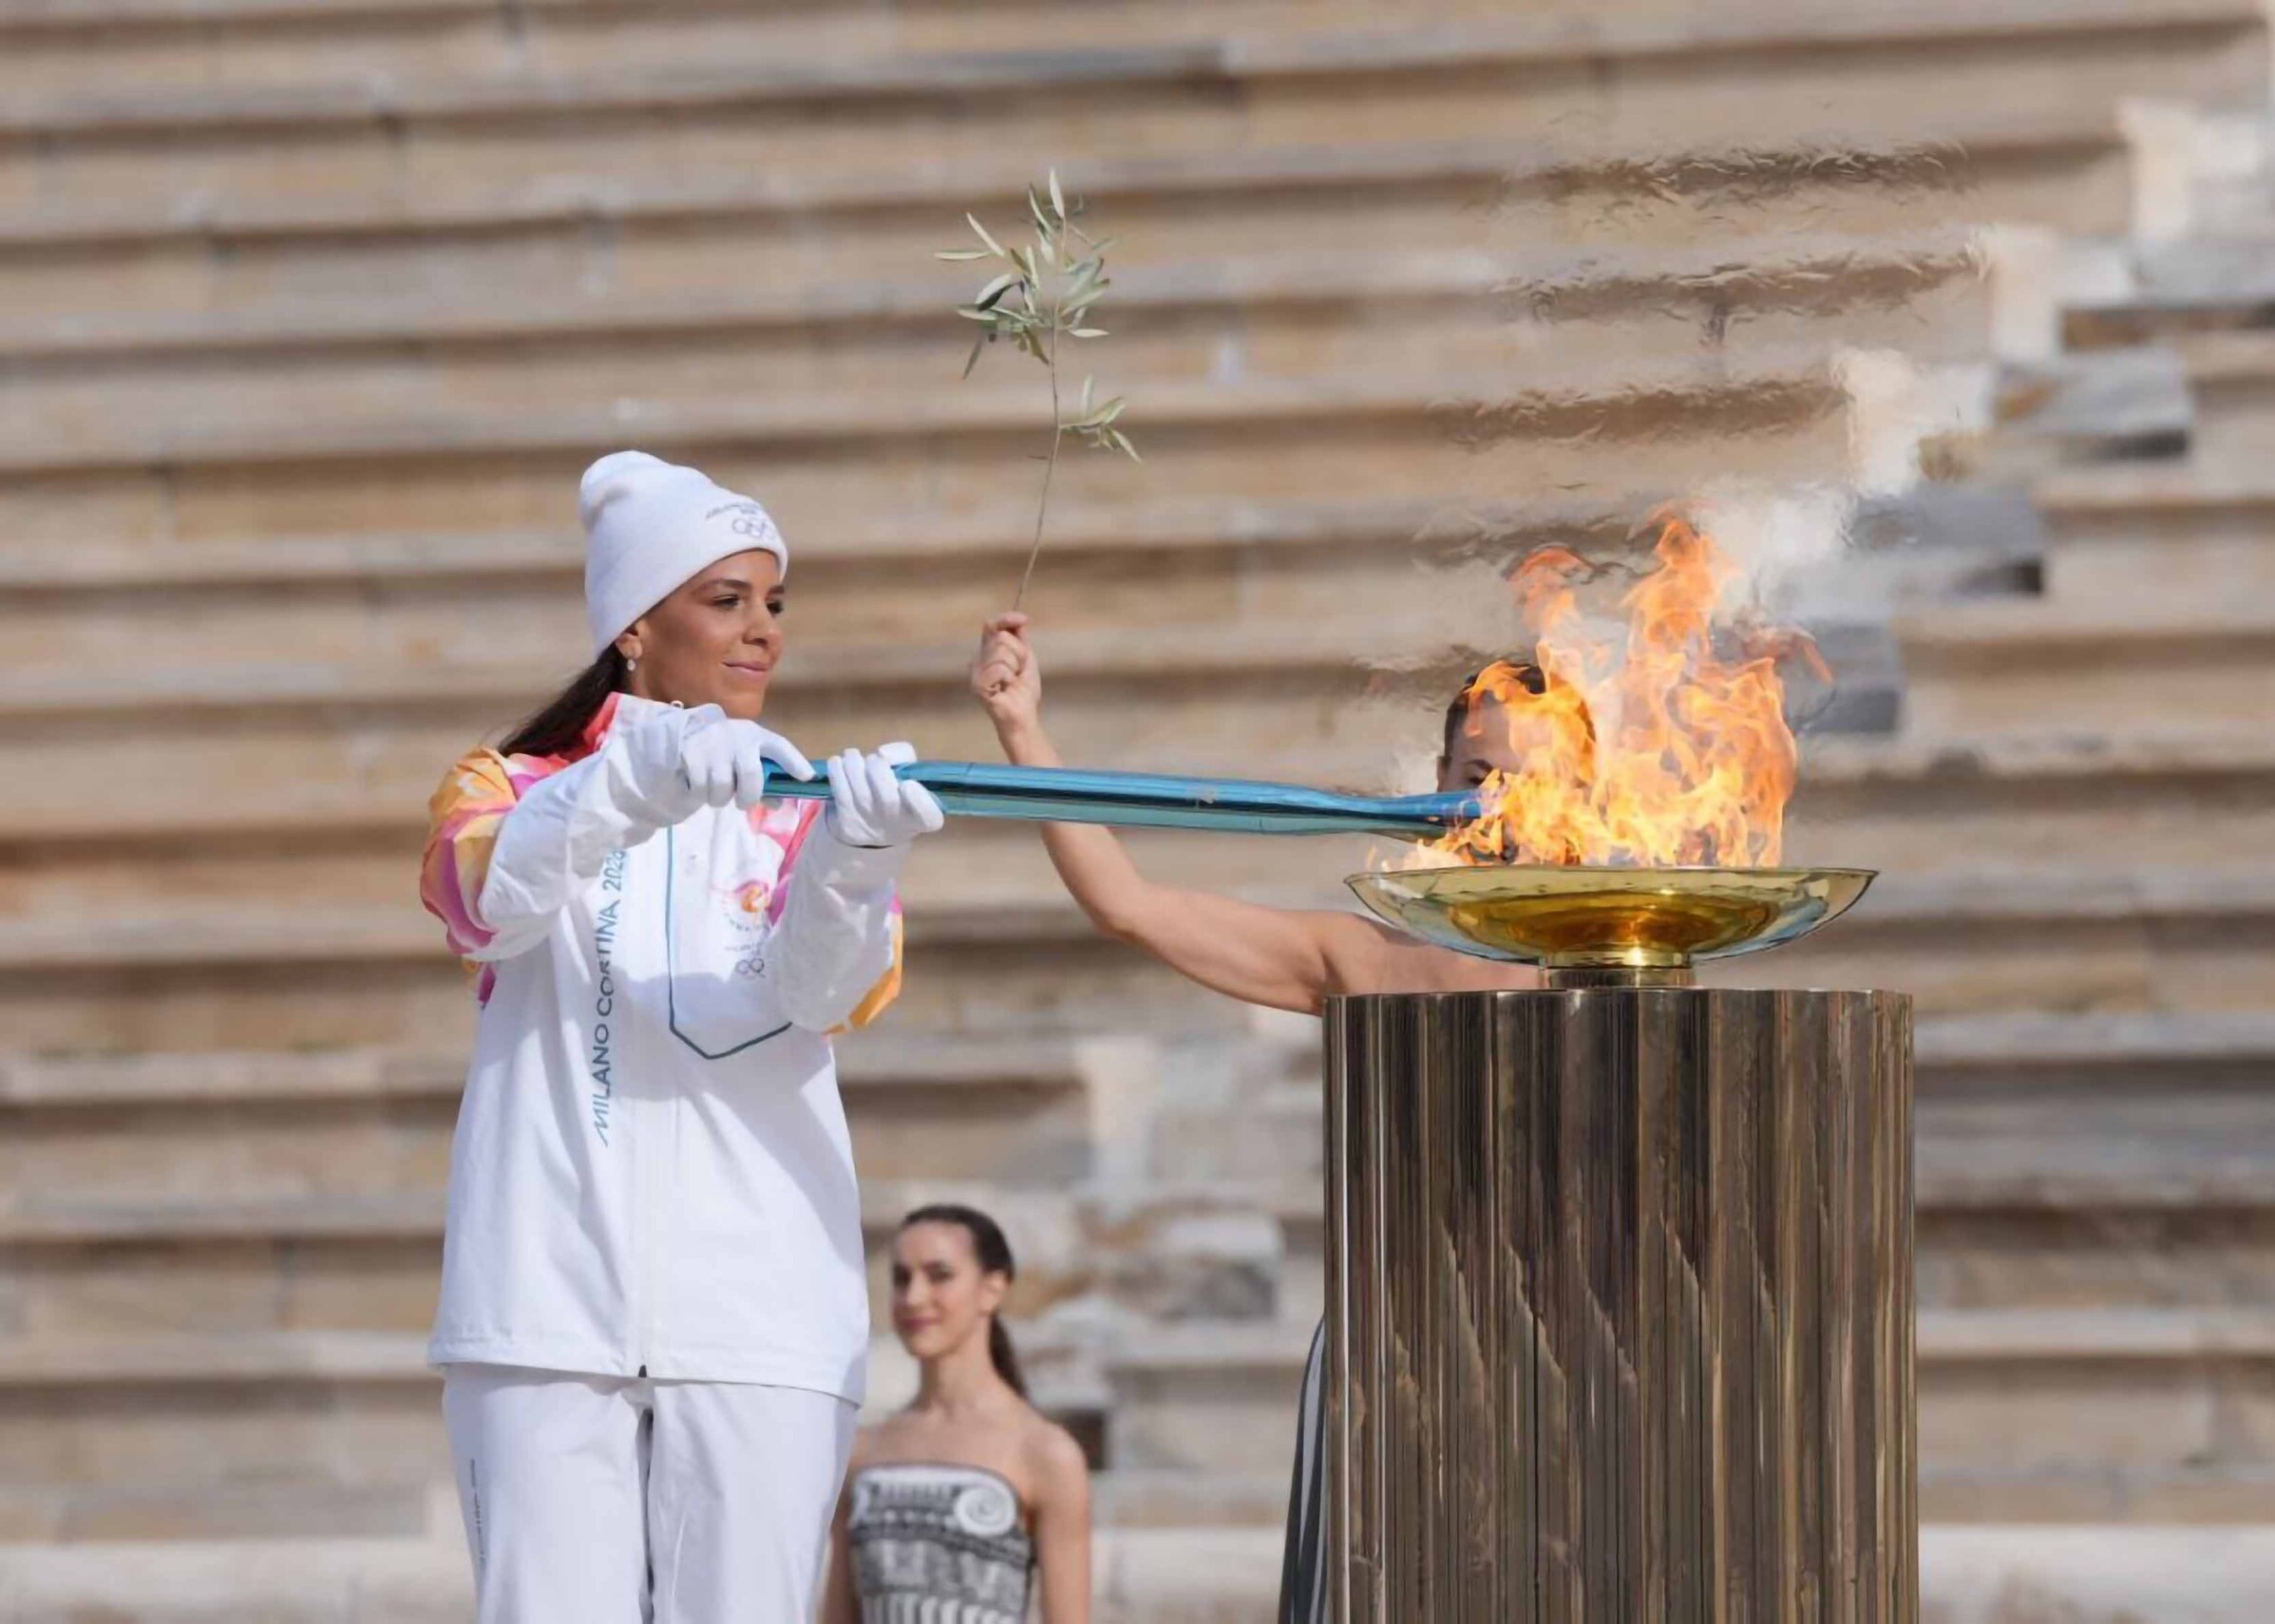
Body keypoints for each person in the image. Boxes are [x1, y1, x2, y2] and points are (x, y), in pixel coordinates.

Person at [418, 450, 946, 1624]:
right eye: (725, 600)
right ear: (633, 630)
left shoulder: (798, 799)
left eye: (773, 603)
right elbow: (484, 902)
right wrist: (627, 780)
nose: (760, 631)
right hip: (541, 1311)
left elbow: (821, 995)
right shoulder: (506, 785)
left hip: (760, 1318)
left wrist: (854, 865)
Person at [967, 612, 1541, 1624]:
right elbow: (1127, 904)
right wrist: (1023, 730)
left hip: (1578, 1353)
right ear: (1439, 778)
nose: (1499, 796)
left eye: (1531, 773)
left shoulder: (1634, 950)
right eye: (1478, 768)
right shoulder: (1368, 961)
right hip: (1394, 1355)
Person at [825, 1205, 1092, 1624]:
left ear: (993, 1288)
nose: (913, 1296)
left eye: (939, 1275)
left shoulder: (1045, 1453)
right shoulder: (862, 1451)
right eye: (901, 1278)